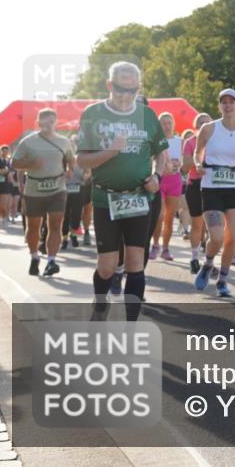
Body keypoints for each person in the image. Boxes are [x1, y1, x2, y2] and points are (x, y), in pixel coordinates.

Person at [75, 62, 169, 321]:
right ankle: (100, 305)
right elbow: (82, 160)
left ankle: (131, 325)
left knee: (135, 262)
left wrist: (157, 177)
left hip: (139, 197)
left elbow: (162, 153)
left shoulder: (147, 115)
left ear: (138, 88)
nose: (125, 95)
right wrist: (111, 151)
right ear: (109, 85)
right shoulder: (93, 114)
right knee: (106, 266)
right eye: (119, 89)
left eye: (131, 90)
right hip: (106, 198)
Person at [192, 89, 235, 298]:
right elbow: (197, 152)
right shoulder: (208, 128)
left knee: (231, 239)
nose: (228, 105)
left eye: (232, 102)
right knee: (217, 236)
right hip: (211, 186)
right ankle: (208, 263)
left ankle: (222, 280)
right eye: (224, 102)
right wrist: (197, 164)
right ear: (219, 106)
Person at [12, 109, 75, 277]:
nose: (47, 126)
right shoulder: (28, 142)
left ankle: (51, 261)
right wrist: (30, 162)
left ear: (56, 122)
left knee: (55, 225)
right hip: (34, 189)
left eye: (51, 122)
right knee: (34, 227)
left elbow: (70, 159)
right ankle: (34, 257)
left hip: (57, 189)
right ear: (38, 123)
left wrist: (69, 169)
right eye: (43, 122)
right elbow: (15, 163)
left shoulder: (64, 141)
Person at [150, 112, 184, 261]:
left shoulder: (180, 141)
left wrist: (178, 165)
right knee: (159, 215)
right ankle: (155, 245)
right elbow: (150, 159)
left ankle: (165, 248)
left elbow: (184, 161)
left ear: (173, 124)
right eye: (163, 123)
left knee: (169, 217)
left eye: (169, 122)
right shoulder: (155, 141)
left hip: (175, 181)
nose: (167, 125)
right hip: (160, 180)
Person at [181, 113, 212, 274]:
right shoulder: (190, 142)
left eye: (207, 123)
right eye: (201, 123)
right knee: (198, 224)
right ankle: (194, 258)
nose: (204, 126)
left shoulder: (217, 141)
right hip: (195, 185)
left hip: (215, 185)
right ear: (196, 126)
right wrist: (197, 158)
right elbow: (185, 167)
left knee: (212, 226)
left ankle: (208, 260)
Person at [61, 133, 88, 249]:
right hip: (65, 189)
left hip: (79, 188)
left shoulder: (82, 158)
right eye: (72, 142)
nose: (74, 145)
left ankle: (73, 234)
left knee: (77, 214)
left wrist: (87, 174)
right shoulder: (63, 158)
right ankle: (65, 238)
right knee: (65, 214)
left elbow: (87, 173)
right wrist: (65, 173)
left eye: (76, 142)